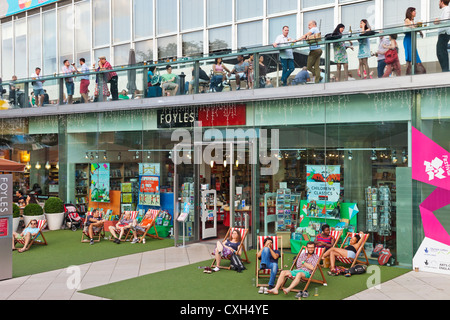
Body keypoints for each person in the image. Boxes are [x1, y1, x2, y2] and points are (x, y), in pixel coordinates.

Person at [404, 7, 423, 74]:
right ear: (410, 12)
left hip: (412, 39)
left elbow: (414, 27)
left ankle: (413, 72)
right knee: (409, 56)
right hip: (408, 40)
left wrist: (420, 31)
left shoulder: (412, 21)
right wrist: (418, 27)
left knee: (414, 54)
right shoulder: (407, 20)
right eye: (414, 11)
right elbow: (412, 27)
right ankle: (409, 73)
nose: (415, 12)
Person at [435, 0, 450, 72]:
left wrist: (439, 21)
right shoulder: (445, 10)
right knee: (441, 51)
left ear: (442, 2)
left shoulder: (447, 9)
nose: (438, 3)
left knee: (441, 52)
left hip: (444, 33)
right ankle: (445, 70)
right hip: (444, 33)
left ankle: (445, 70)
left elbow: (445, 20)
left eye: (439, 2)